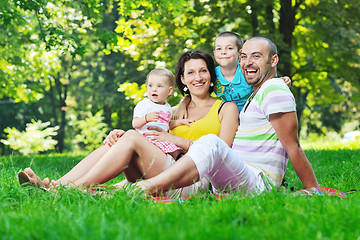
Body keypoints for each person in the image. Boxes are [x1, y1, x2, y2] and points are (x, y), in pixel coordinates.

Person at [18, 50, 239, 197]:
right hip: (159, 170)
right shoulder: (170, 111)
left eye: (203, 71)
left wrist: (176, 140)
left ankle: (65, 190)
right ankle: (54, 185)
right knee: (123, 137)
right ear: (182, 79)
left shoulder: (225, 108)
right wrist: (119, 135)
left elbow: (222, 153)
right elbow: (147, 135)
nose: (197, 77)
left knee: (131, 138)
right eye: (190, 72)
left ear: (211, 74)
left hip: (191, 179)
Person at [136, 36, 319, 196]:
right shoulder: (254, 96)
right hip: (236, 174)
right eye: (244, 57)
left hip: (259, 183)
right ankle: (129, 188)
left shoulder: (274, 88)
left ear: (273, 60)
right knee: (209, 145)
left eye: (256, 56)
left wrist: (314, 189)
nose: (248, 62)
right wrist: (183, 102)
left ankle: (145, 189)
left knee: (212, 142)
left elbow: (293, 146)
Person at [173, 32, 291, 118]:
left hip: (250, 116)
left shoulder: (247, 71)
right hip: (225, 118)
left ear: (240, 53)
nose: (223, 52)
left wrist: (279, 81)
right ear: (214, 53)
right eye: (219, 49)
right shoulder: (212, 75)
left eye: (229, 48)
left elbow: (264, 81)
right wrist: (183, 103)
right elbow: (197, 92)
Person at [131, 68, 181, 154]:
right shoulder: (144, 104)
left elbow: (167, 124)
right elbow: (135, 124)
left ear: (169, 91)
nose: (154, 89)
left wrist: (180, 122)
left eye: (159, 86)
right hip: (146, 138)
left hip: (161, 139)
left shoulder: (167, 107)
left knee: (177, 152)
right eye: (150, 85)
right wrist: (146, 118)